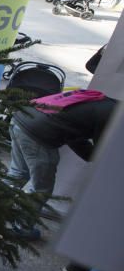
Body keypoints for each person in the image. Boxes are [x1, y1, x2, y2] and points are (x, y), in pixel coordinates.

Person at [7, 91, 118, 240]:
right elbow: (104, 149)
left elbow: (73, 135)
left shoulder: (102, 102)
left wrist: (91, 156)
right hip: (37, 133)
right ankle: (22, 228)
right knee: (41, 188)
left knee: (17, 174)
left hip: (21, 118)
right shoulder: (112, 115)